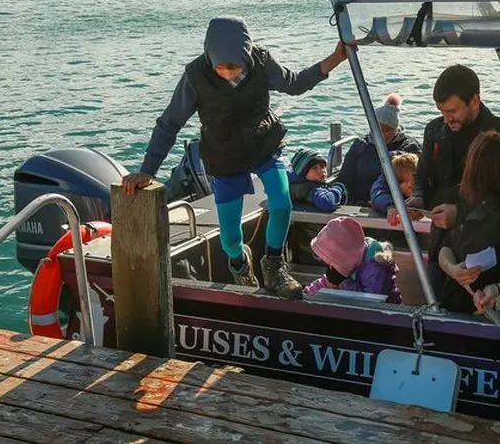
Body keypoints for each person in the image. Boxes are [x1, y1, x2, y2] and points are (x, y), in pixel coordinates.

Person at [121, 16, 349, 300]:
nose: (228, 74)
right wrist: (148, 171)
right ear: (209, 57)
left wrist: (335, 58)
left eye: (235, 67)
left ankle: (274, 265)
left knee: (280, 202)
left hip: (263, 144)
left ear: (247, 57)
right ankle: (240, 263)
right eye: (220, 67)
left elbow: (295, 83)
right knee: (229, 239)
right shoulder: (195, 77)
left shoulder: (262, 62)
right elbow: (169, 123)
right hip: (223, 155)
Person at [404, 64, 500, 286]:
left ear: (474, 101)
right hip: (441, 245)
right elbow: (423, 173)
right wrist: (418, 198)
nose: (446, 119)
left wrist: (460, 213)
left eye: (452, 111)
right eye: (442, 112)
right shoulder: (434, 131)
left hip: (487, 252)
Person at [435, 132, 500, 314]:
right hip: (457, 305)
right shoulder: (471, 204)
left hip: (486, 310)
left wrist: (496, 289)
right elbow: (446, 246)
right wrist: (453, 269)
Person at [339, 93, 421, 203]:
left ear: (396, 129)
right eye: (379, 130)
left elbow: (418, 181)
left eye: (388, 131)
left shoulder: (410, 147)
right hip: (359, 202)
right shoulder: (360, 146)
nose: (383, 135)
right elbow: (345, 177)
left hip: (393, 203)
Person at [303, 217, 402, 304]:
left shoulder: (374, 269)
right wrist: (309, 292)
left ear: (343, 256)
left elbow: (370, 302)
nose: (331, 267)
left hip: (384, 317)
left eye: (332, 261)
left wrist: (343, 283)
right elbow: (328, 281)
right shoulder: (353, 257)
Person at [287, 148, 349, 213]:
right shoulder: (310, 188)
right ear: (303, 173)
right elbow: (326, 202)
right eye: (314, 168)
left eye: (322, 166)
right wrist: (338, 187)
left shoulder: (290, 182)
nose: (320, 171)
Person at [370, 152, 418, 223]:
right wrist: (391, 206)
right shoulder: (386, 180)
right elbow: (378, 193)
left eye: (414, 180)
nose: (409, 185)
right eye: (402, 181)